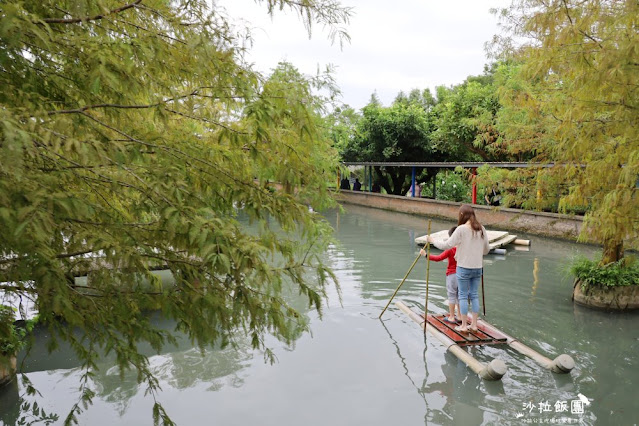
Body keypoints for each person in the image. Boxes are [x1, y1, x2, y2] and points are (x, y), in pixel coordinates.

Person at [422, 205, 490, 333]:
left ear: (461, 215)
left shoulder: (461, 229)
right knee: (474, 295)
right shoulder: (482, 229)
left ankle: (464, 326)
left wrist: (432, 240)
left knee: (463, 295)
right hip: (478, 267)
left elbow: (446, 245)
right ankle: (474, 325)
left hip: (464, 267)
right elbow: (486, 250)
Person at [425, 226, 460, 324]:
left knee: (452, 295)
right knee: (460, 296)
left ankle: (452, 317)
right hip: (462, 275)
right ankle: (460, 316)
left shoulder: (450, 249)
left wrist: (426, 255)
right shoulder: (463, 248)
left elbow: (438, 258)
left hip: (452, 275)